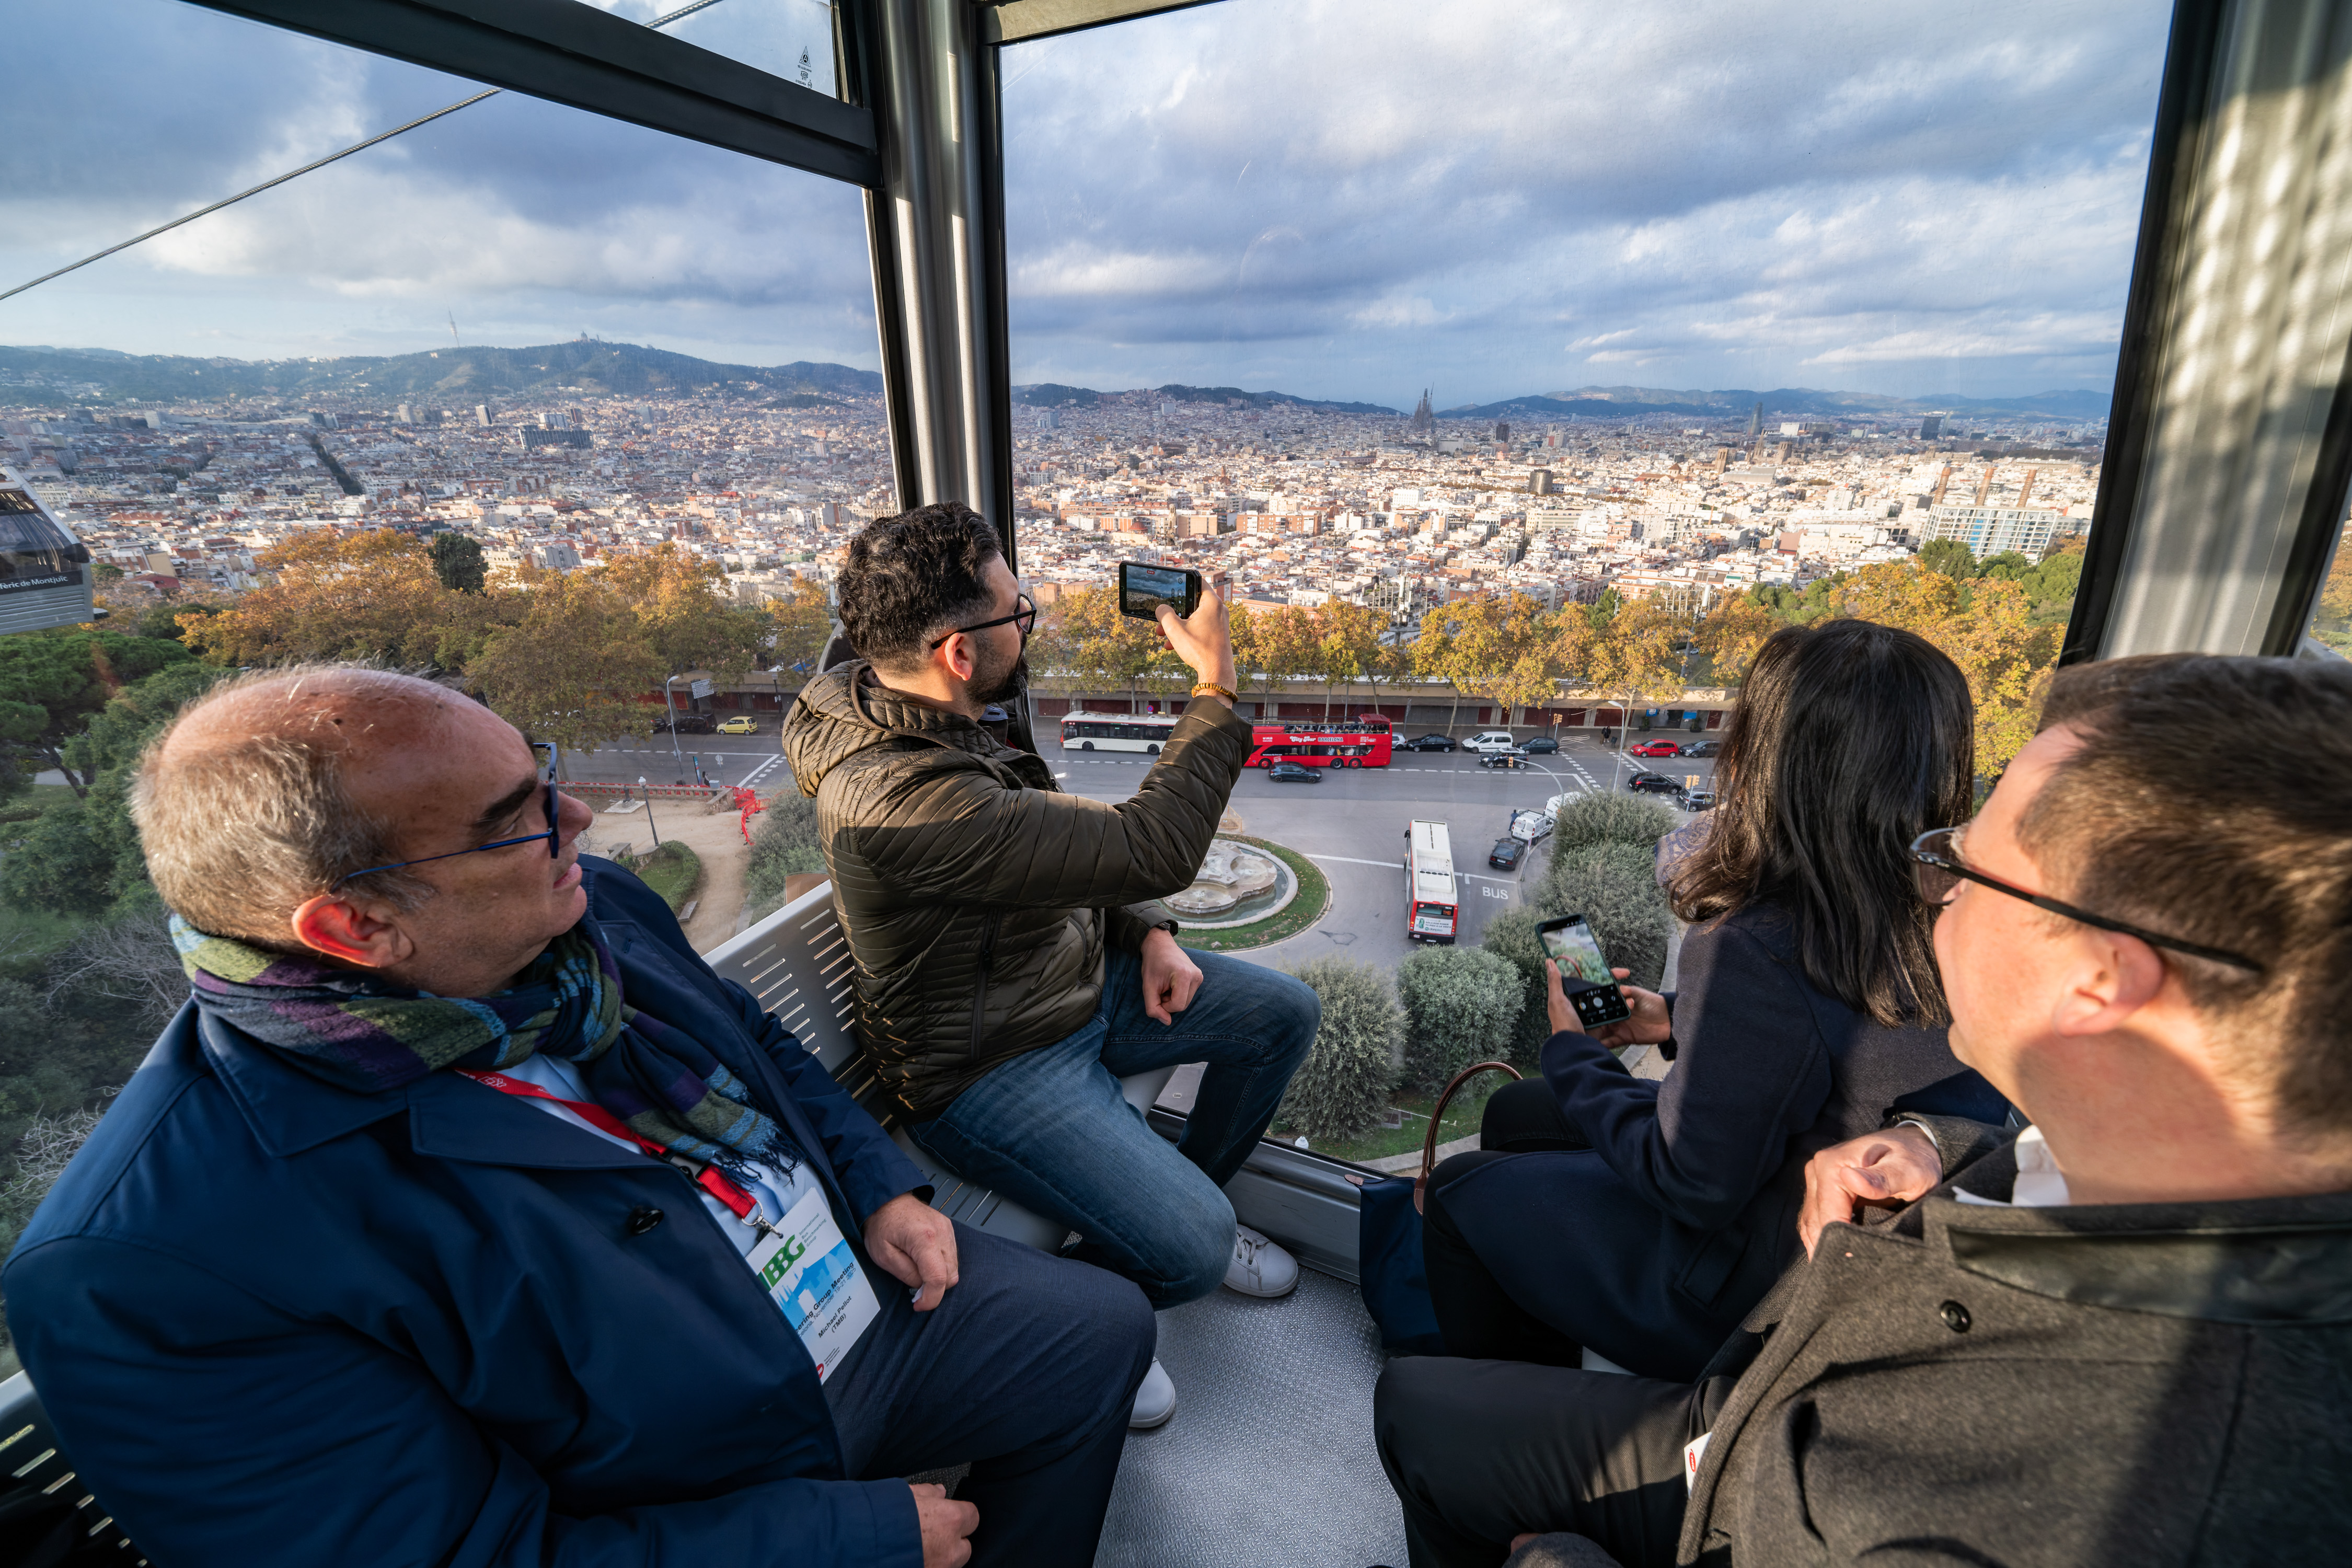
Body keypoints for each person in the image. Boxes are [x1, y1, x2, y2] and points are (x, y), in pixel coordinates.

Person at [4, 666, 1155, 1568]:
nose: (584, 815)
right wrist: (846, 1540)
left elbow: (748, 1041)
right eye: (520, 819)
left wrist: (874, 1181)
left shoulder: (582, 915)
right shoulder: (153, 1265)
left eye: (543, 773)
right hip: (692, 1472)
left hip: (841, 1290)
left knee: (1104, 1331)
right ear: (354, 929)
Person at [1376, 652, 2352, 1566]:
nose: (1939, 891)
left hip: (1760, 1367)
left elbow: (1697, 1184)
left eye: (1969, 862)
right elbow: (1913, 1077)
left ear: (2098, 983)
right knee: (1525, 1125)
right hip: (1798, 1330)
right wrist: (1935, 1137)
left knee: (1433, 1340)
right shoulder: (2131, 1152)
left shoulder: (2085, 1487)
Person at [779, 502, 1319, 1428]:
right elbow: (1149, 845)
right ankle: (1098, 1315)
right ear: (956, 649)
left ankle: (1169, 1214)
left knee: (1283, 1016)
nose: (1029, 621)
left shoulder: (914, 698)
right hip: (989, 1064)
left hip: (1064, 980)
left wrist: (1146, 929)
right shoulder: (903, 799)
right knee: (1191, 1249)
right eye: (1018, 613)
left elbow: (1055, 846)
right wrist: (1216, 686)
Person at [1423, 619, 2009, 1382]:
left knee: (1462, 1194)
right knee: (1515, 1116)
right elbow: (1822, 1041)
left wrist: (1570, 1050)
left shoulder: (1757, 937)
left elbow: (1690, 1182)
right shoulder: (1950, 910)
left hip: (1756, 1285)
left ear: (1768, 761)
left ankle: (1504, 1420)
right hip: (1842, 1235)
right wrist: (1672, 1018)